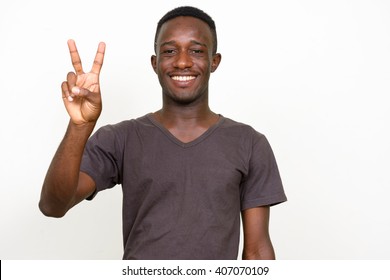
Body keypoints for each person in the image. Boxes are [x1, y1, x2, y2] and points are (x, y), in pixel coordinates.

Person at [39, 6, 287, 260]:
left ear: (214, 61)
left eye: (196, 51)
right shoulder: (121, 139)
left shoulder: (249, 144)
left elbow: (257, 251)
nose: (182, 61)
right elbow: (53, 206)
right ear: (155, 63)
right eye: (169, 51)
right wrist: (79, 127)